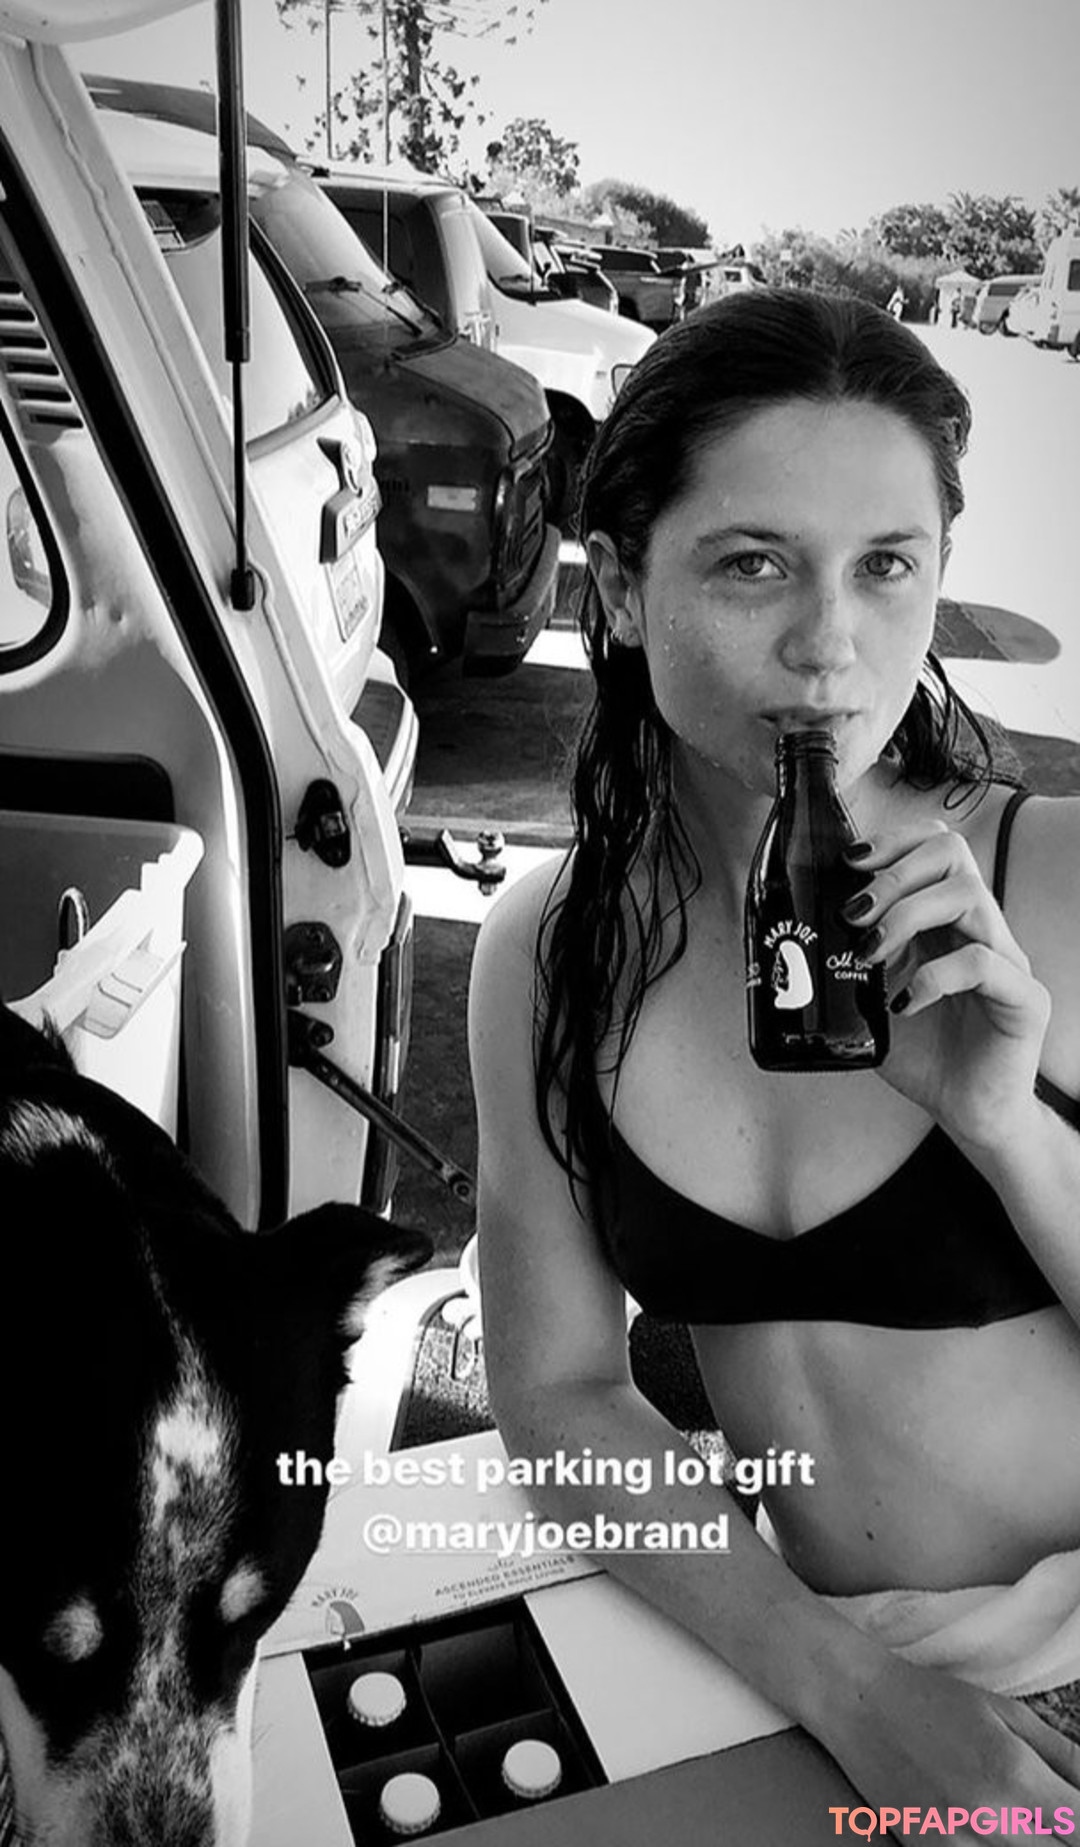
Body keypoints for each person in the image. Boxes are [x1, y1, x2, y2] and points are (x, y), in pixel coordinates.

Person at [469, 290, 1080, 1840]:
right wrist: (853, 1692)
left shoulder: (1056, 886)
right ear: (620, 587)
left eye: (888, 566)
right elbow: (559, 1394)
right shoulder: (554, 952)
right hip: (809, 1670)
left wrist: (1012, 1132)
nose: (831, 647)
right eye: (754, 564)